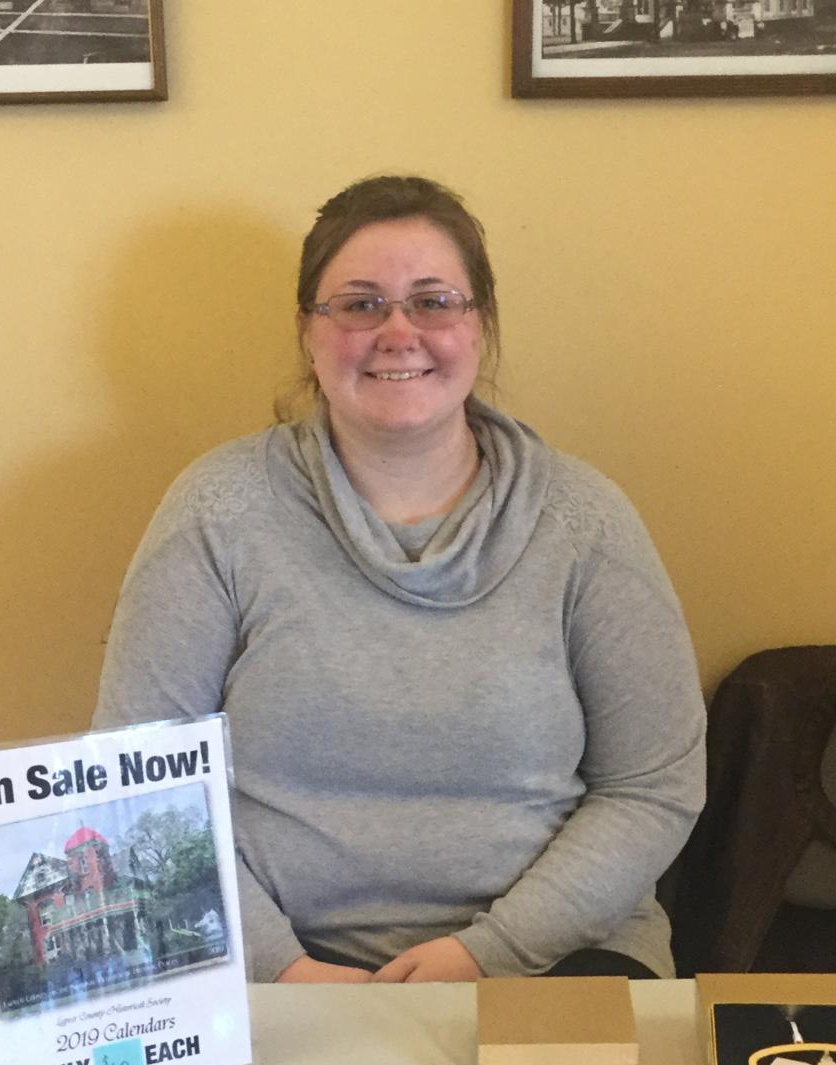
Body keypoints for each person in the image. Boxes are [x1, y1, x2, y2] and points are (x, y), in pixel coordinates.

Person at [93, 175, 705, 985]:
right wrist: (286, 972)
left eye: (433, 302)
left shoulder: (583, 520)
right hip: (274, 975)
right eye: (360, 305)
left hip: (555, 963)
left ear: (480, 324)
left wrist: (487, 955)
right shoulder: (218, 511)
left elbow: (652, 786)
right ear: (308, 332)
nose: (398, 333)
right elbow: (138, 786)